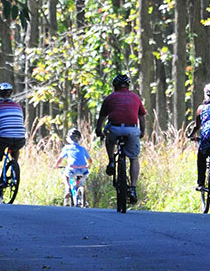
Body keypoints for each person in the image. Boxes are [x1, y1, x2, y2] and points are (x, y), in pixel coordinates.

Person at [95, 74, 146, 204]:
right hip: (132, 129)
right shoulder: (136, 97)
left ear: (114, 86)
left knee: (109, 137)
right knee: (134, 158)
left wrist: (99, 131)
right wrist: (142, 131)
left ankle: (111, 160)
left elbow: (102, 118)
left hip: (115, 128)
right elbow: (142, 117)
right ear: (128, 86)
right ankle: (133, 188)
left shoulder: (109, 98)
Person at [54, 128, 92, 205]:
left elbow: (60, 159)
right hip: (83, 170)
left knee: (65, 175)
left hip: (71, 169)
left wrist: (56, 165)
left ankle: (67, 188)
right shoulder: (82, 149)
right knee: (80, 183)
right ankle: (82, 197)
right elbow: (90, 160)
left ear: (68, 138)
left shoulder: (67, 148)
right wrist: (89, 165)